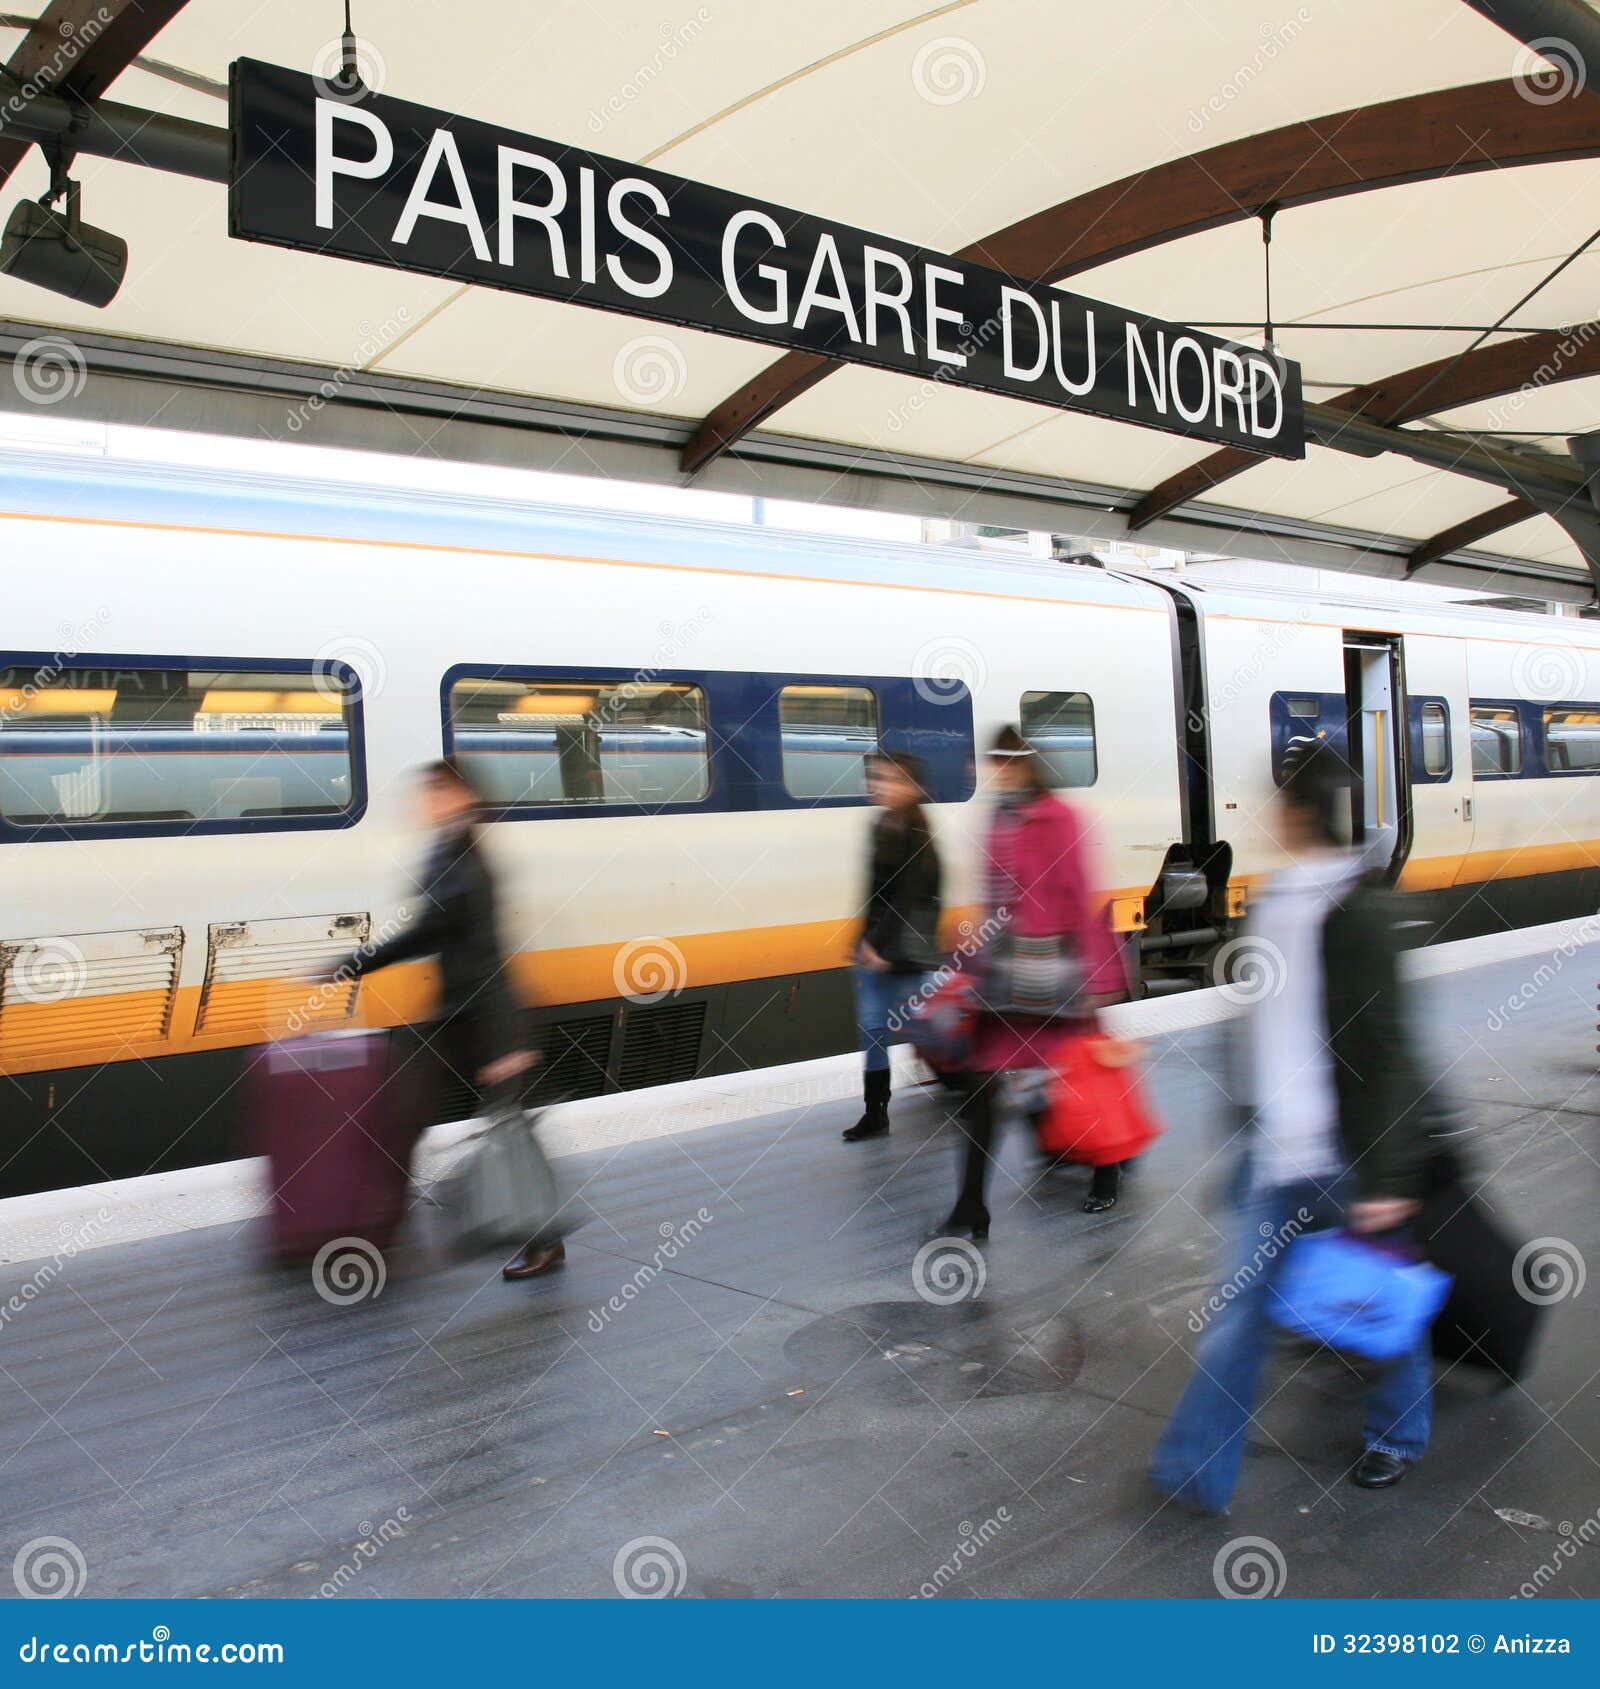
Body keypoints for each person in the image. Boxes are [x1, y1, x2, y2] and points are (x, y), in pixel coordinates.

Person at [1148, 738, 1434, 1512]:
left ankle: (1397, 1434)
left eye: (1282, 798)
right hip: (1276, 1152)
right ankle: (1195, 1467)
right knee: (1239, 1319)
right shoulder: (1274, 900)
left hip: (1347, 1154)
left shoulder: (1364, 912)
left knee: (1375, 1304)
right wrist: (1243, 1130)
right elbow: (1259, 1030)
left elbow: (1390, 1052)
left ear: (1300, 811)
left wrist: (1391, 1178)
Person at [338, 759, 559, 1281]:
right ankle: (381, 1225)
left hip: (483, 1015)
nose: (427, 803)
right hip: (454, 1011)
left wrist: (507, 1044)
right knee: (404, 1115)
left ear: (463, 797)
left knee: (508, 1129)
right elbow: (430, 931)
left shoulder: (470, 861)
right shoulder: (446, 849)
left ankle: (544, 1240)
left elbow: (467, 946)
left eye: (437, 794)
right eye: (427, 794)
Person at [942, 725, 1125, 1236]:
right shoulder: (996, 819)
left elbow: (1081, 893)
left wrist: (1102, 973)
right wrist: (971, 964)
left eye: (1003, 764)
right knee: (981, 1088)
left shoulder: (1060, 818)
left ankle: (1106, 1173)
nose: (994, 774)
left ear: (1023, 765)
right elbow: (990, 900)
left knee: (1081, 1079)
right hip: (1004, 978)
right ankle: (971, 1206)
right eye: (991, 764)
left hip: (1058, 976)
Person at [844, 750, 943, 1141]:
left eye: (889, 779)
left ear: (911, 786)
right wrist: (861, 942)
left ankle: (971, 1085)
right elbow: (875, 893)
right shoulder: (883, 824)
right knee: (871, 1031)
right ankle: (875, 1112)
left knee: (932, 1030)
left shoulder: (918, 832)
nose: (879, 785)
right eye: (878, 778)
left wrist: (878, 946)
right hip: (876, 948)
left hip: (903, 954)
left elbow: (909, 896)